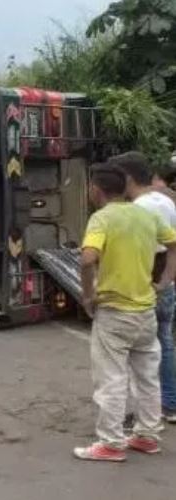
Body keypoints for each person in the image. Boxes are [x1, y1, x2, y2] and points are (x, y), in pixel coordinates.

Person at [74, 163, 176, 462]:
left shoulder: (102, 218)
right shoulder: (147, 215)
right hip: (146, 310)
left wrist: (88, 296)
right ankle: (147, 436)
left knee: (111, 379)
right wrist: (165, 281)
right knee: (147, 377)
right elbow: (173, 245)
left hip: (115, 312)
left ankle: (111, 443)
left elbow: (87, 259)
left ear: (96, 190)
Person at [110, 152, 176, 424]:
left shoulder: (139, 208)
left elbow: (133, 251)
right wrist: (167, 281)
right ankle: (169, 404)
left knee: (136, 353)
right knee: (164, 344)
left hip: (143, 285)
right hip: (165, 284)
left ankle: (142, 413)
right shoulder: (166, 201)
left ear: (127, 177)